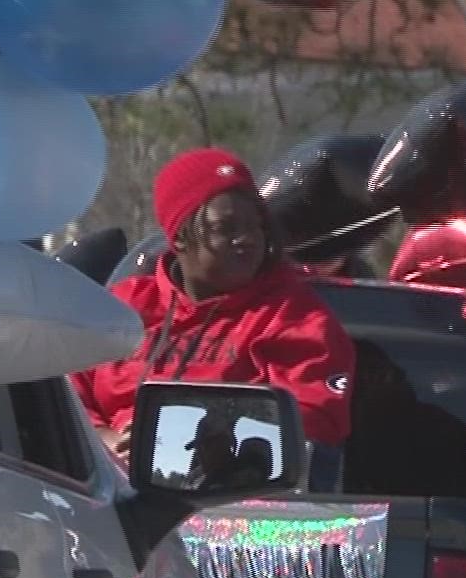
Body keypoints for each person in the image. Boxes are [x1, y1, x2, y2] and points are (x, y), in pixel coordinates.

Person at [71, 147, 358, 469]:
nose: (247, 239)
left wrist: (196, 432)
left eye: (256, 226)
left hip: (232, 495)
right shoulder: (124, 306)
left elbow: (315, 418)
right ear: (179, 237)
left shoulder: (293, 315)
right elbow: (63, 393)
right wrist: (104, 440)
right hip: (103, 487)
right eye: (227, 228)